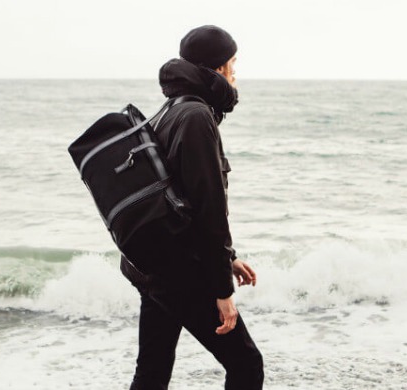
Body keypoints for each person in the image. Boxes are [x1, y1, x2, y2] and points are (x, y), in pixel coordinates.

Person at [119, 25, 265, 390]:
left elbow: (177, 202)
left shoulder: (171, 111)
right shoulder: (196, 117)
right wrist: (223, 291)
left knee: (152, 371)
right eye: (232, 64)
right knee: (246, 365)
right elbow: (208, 210)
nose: (235, 73)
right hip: (181, 272)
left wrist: (228, 258)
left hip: (154, 267)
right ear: (216, 69)